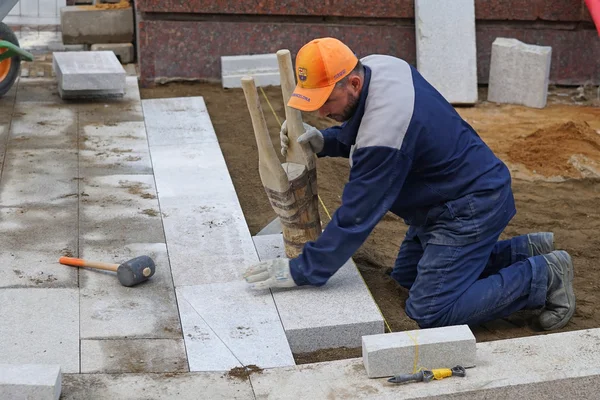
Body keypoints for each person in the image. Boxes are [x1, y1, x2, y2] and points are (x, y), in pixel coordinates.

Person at [243, 37, 575, 331]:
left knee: (430, 309)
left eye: (325, 102)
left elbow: (357, 216)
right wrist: (327, 141)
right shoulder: (381, 66)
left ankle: (543, 276)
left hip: (469, 208)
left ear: (354, 83)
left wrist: (302, 270)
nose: (321, 111)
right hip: (447, 193)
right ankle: (524, 250)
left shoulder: (384, 132)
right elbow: (376, 124)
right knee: (406, 280)